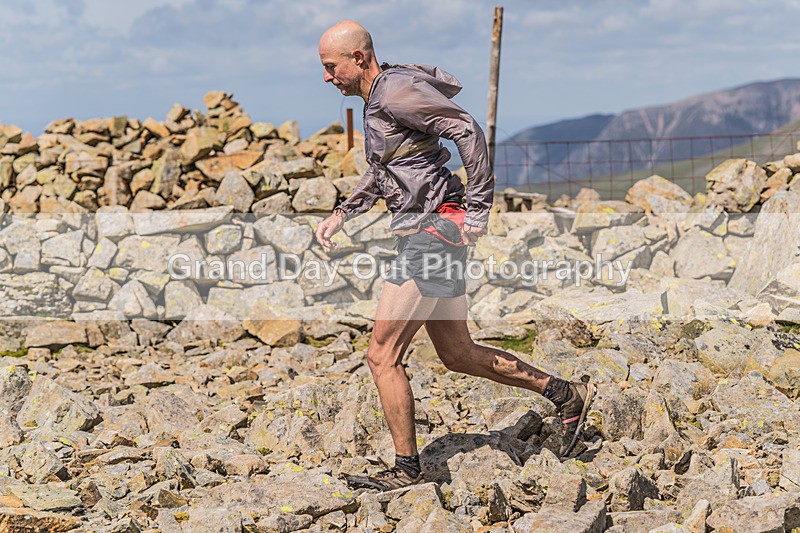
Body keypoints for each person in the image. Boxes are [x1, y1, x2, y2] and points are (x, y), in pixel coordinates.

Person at [315, 20, 595, 491]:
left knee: (382, 355)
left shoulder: (395, 92)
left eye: (330, 66)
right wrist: (344, 212)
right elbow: (384, 167)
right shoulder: (379, 99)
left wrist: (479, 209)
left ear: (358, 58)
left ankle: (405, 470)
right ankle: (566, 394)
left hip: (435, 232)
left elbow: (467, 129)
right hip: (427, 231)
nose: (326, 77)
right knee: (457, 353)